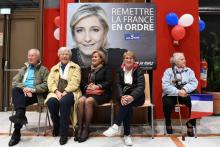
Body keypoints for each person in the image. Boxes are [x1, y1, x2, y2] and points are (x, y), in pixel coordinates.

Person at [103, 51, 145, 146]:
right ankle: (126, 135)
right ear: (123, 60)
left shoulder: (139, 70)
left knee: (127, 103)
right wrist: (122, 96)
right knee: (126, 104)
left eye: (131, 58)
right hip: (123, 97)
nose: (129, 60)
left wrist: (132, 96)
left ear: (134, 60)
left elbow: (141, 86)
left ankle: (116, 126)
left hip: (138, 97)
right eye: (127, 58)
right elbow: (117, 85)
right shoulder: (119, 70)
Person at [8, 49, 49, 146]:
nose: (30, 57)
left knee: (19, 99)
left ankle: (16, 133)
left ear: (38, 58)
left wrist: (33, 90)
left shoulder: (44, 70)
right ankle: (20, 118)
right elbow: (15, 81)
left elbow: (46, 85)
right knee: (15, 90)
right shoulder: (24, 69)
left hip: (35, 94)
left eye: (32, 56)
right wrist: (25, 88)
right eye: (29, 55)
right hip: (23, 92)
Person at [69, 4, 126, 69]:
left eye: (95, 30)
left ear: (105, 31)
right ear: (73, 34)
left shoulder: (120, 57)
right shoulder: (67, 58)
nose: (87, 39)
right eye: (79, 30)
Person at [45, 47, 81, 145]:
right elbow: (50, 82)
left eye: (66, 54)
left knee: (64, 102)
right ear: (59, 56)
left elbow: (75, 82)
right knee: (51, 102)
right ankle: (57, 125)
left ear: (69, 56)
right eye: (62, 54)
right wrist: (56, 91)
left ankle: (63, 133)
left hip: (71, 91)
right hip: (56, 91)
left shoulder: (75, 67)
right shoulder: (54, 68)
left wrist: (65, 91)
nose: (64, 56)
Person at [74, 50, 112, 142]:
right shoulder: (87, 69)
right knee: (81, 101)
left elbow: (109, 82)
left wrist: (97, 86)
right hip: (88, 92)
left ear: (101, 59)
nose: (93, 58)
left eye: (96, 57)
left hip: (102, 94)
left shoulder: (106, 69)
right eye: (93, 57)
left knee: (88, 101)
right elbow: (82, 82)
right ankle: (80, 128)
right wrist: (88, 86)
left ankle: (86, 128)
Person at [162, 52, 198, 136]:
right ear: (176, 61)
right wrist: (178, 92)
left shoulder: (189, 71)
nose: (184, 61)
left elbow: (194, 83)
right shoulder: (168, 71)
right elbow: (165, 86)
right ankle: (168, 123)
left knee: (197, 100)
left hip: (185, 93)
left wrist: (184, 89)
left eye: (184, 59)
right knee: (167, 103)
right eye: (182, 59)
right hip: (171, 95)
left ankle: (190, 123)